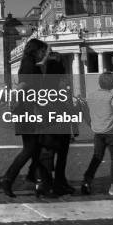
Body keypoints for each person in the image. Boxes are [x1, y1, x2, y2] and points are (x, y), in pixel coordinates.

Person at [0, 38, 48, 198]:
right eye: (43, 51)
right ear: (36, 50)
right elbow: (22, 87)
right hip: (28, 113)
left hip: (27, 112)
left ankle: (34, 177)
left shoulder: (28, 63)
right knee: (30, 148)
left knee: (36, 147)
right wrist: (13, 100)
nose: (44, 54)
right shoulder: (29, 65)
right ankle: (8, 178)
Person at [81, 72, 113, 196]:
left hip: (98, 132)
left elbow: (85, 112)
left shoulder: (91, 96)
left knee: (97, 157)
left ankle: (87, 180)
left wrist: (92, 125)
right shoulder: (112, 97)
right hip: (112, 132)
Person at [37, 53, 74, 196]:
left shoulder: (41, 81)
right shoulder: (63, 81)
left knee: (47, 153)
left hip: (47, 121)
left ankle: (47, 183)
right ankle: (55, 183)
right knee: (60, 155)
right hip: (59, 120)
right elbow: (68, 103)